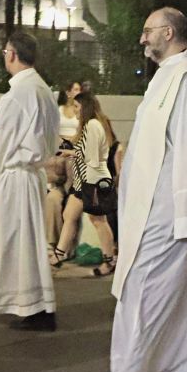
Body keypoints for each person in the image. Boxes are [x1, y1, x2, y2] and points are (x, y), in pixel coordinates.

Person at [83, 7, 187, 372]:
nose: (142, 39)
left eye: (147, 31)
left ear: (169, 32)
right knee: (152, 291)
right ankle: (164, 370)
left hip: (169, 212)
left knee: (145, 291)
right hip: (151, 207)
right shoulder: (169, 76)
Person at [0, 33, 60, 331]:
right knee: (22, 244)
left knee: (5, 242)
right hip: (32, 176)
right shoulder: (43, 90)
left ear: (11, 54)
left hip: (16, 177)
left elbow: (2, 138)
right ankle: (29, 306)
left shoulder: (17, 95)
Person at [51, 93, 118, 278]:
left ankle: (109, 260)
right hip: (84, 181)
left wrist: (70, 153)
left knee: (98, 221)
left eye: (78, 107)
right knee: (69, 214)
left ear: (86, 107)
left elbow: (92, 157)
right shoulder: (90, 125)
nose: (75, 111)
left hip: (94, 181)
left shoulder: (93, 125)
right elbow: (80, 145)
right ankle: (58, 255)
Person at [57, 80, 83, 144]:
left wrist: (70, 143)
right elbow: (52, 130)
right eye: (76, 90)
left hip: (76, 145)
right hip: (58, 145)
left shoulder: (81, 110)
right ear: (68, 93)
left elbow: (82, 131)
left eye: (80, 90)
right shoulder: (58, 110)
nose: (79, 92)